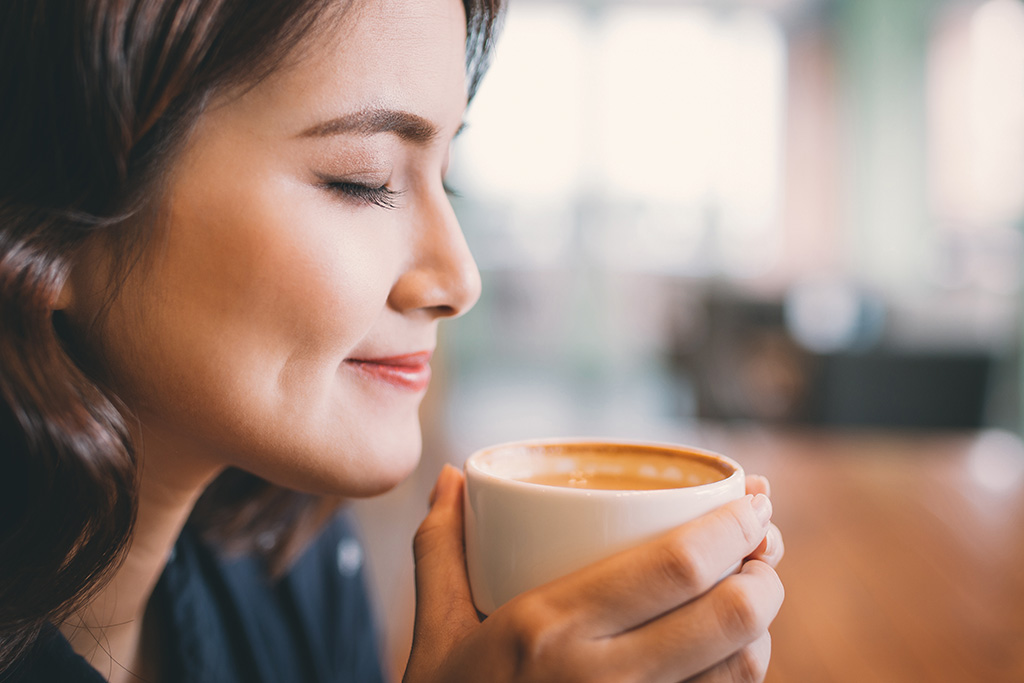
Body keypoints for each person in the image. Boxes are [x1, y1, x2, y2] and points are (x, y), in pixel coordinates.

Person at [0, 0, 785, 681]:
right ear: (50, 218)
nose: (459, 278)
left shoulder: (295, 560)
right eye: (363, 178)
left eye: (445, 174)